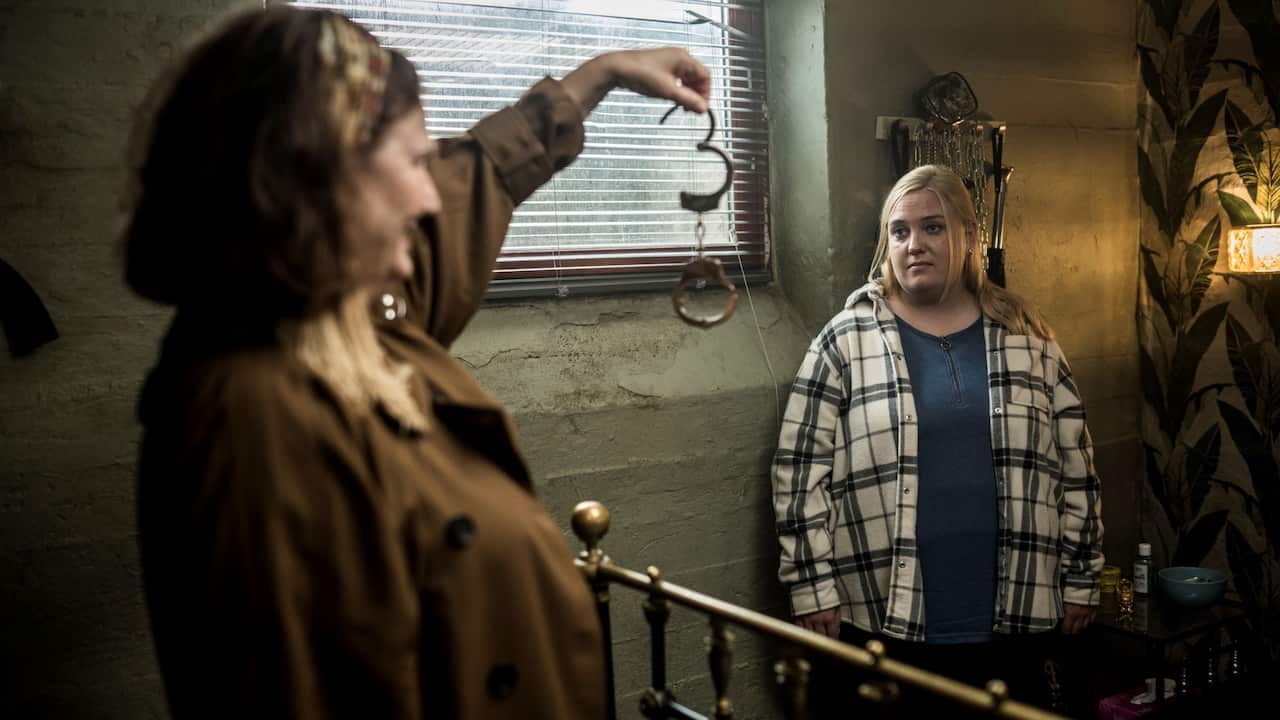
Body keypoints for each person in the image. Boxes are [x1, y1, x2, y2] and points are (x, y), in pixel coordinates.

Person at [122, 6, 710, 719]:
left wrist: (600, 76)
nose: (427, 193)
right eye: (409, 162)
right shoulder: (250, 418)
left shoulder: (343, 317)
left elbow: (476, 180)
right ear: (319, 185)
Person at [771, 164, 1103, 715]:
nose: (914, 245)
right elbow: (799, 472)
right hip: (882, 615)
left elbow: (1077, 469)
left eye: (932, 227)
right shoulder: (846, 340)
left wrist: (1081, 579)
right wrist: (811, 587)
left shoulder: (1027, 338)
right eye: (899, 231)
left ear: (968, 237)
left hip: (1015, 614)